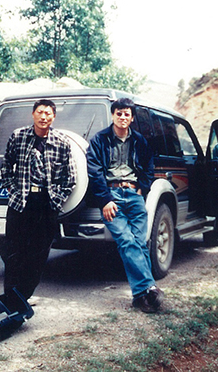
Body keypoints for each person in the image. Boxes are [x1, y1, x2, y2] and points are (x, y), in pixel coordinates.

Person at [86, 98, 164, 313]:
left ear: (131, 118)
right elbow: (94, 171)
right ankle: (150, 288)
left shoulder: (139, 140)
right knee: (126, 240)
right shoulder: (99, 139)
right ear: (113, 115)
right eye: (119, 113)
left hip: (134, 195)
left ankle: (140, 297)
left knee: (139, 243)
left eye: (126, 114)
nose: (122, 117)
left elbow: (148, 165)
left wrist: (142, 188)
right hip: (111, 196)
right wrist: (105, 200)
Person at [0, 99, 76, 311]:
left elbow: (70, 178)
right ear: (33, 114)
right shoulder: (18, 136)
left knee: (38, 255)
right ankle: (10, 297)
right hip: (21, 202)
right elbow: (6, 166)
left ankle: (22, 297)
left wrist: (56, 201)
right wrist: (12, 190)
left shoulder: (61, 142)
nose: (43, 117)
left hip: (46, 205)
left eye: (48, 113)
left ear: (54, 117)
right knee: (14, 252)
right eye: (40, 112)